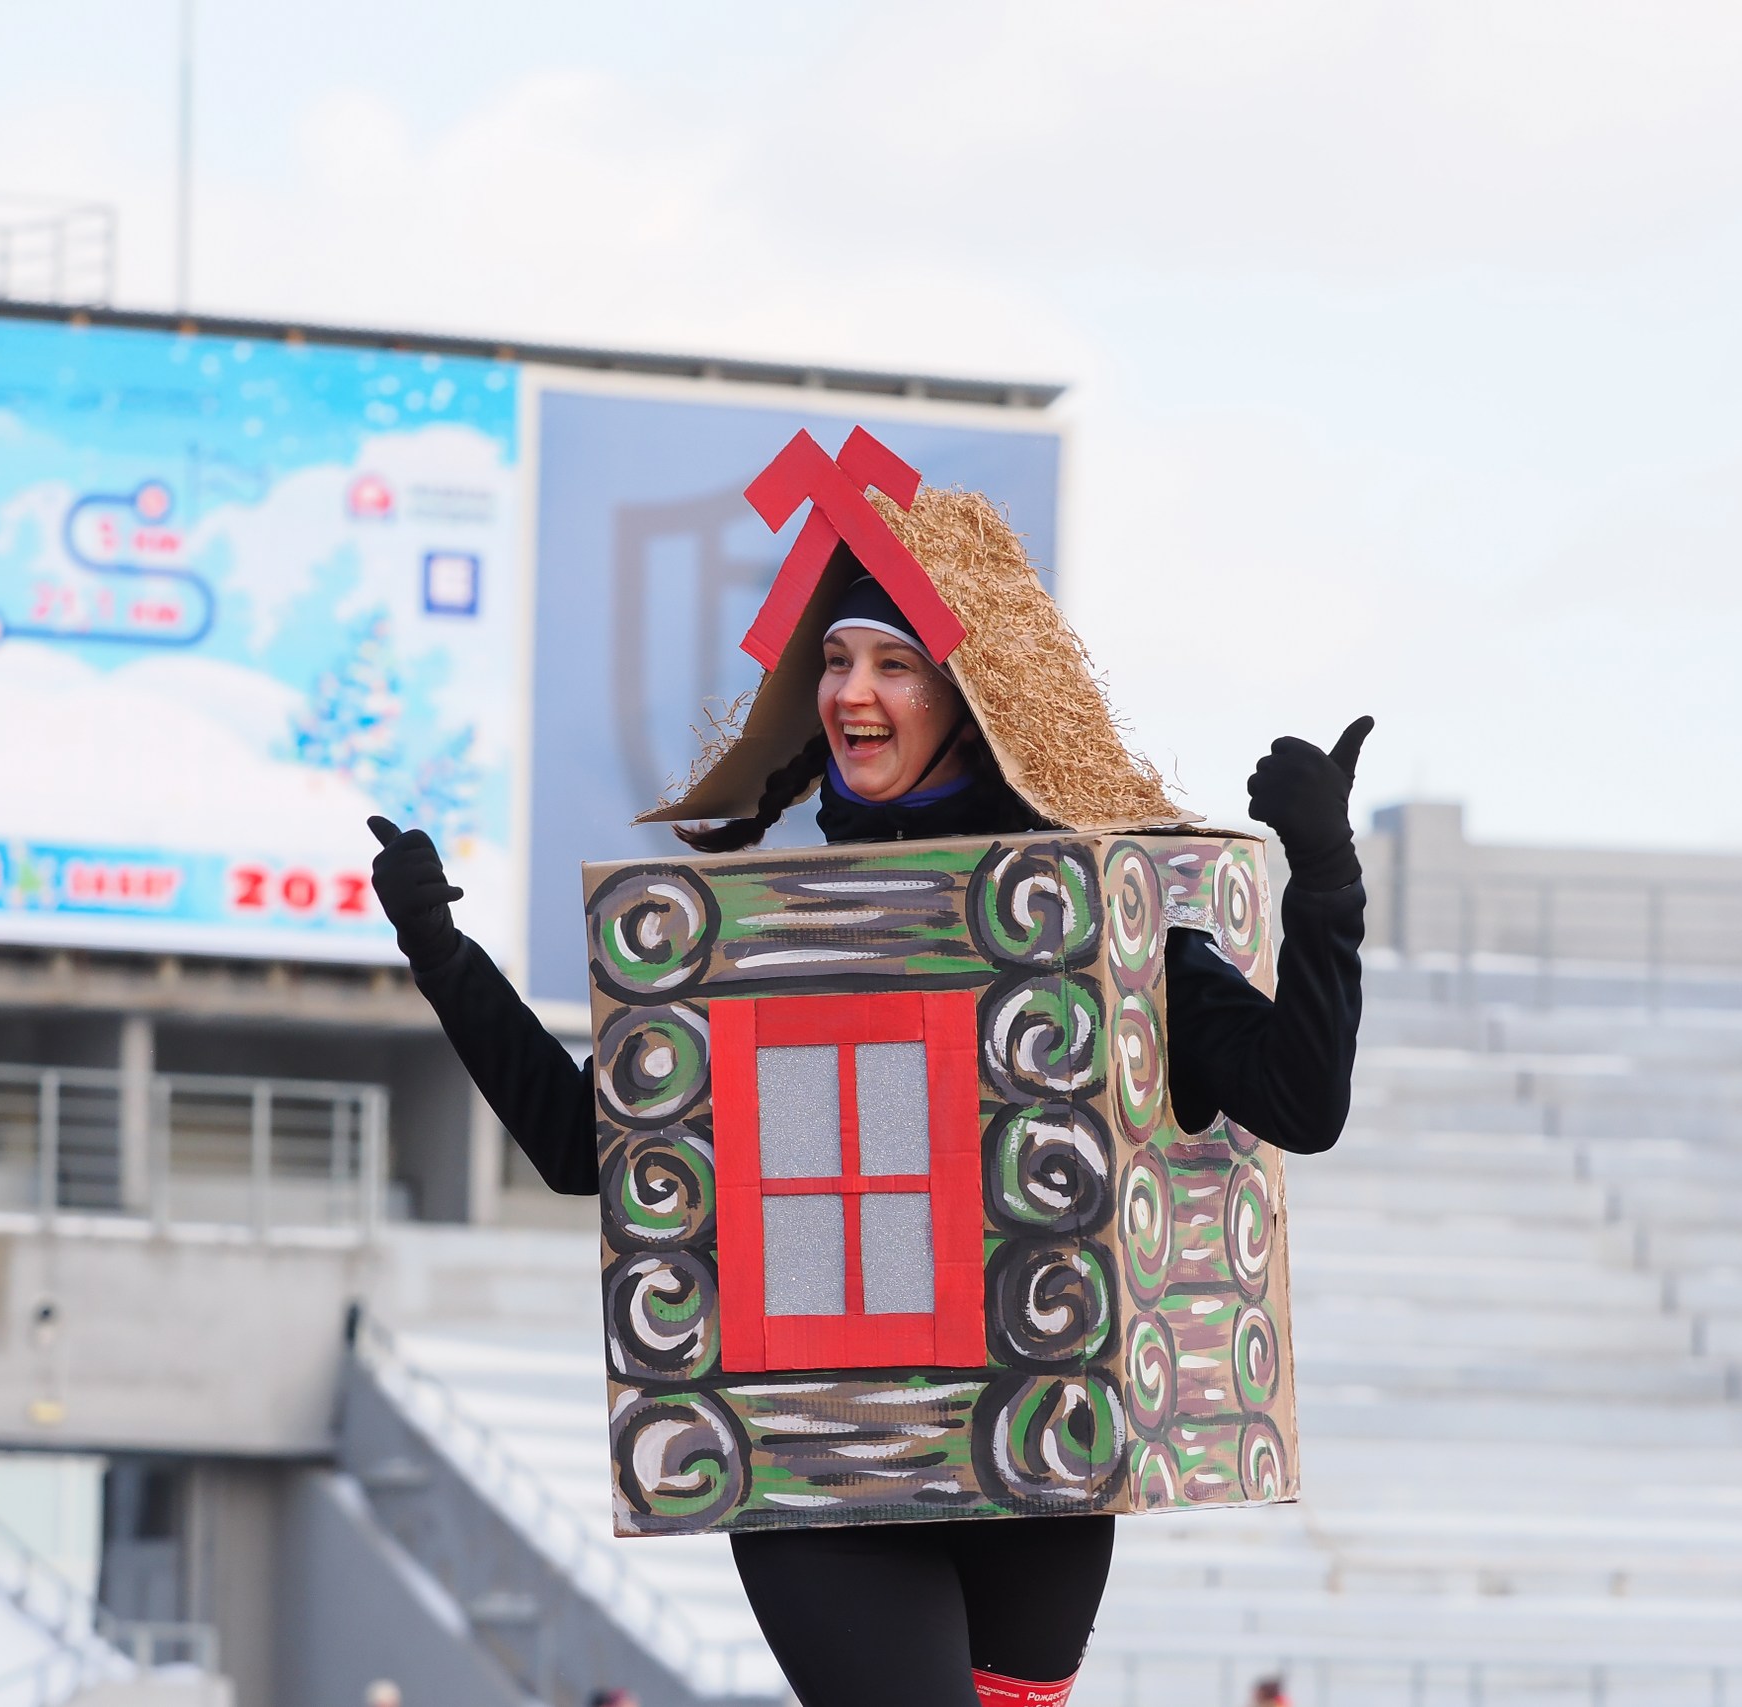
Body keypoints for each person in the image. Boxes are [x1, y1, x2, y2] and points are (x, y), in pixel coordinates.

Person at [369, 477, 1366, 1707]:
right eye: (835, 661)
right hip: (818, 1462)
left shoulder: (1103, 927)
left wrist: (1326, 882)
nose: (850, 693)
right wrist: (444, 957)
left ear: (972, 703)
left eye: (894, 664)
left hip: (1035, 1465)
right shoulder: (758, 932)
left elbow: (1300, 1103)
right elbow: (590, 1150)